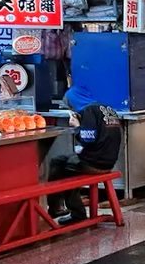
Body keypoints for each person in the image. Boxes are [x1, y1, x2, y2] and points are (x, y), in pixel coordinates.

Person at [49, 86, 123, 224]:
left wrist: (77, 126)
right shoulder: (106, 108)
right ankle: (61, 207)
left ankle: (62, 209)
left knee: (59, 165)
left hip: (95, 163)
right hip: (109, 161)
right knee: (67, 162)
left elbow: (88, 139)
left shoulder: (88, 111)